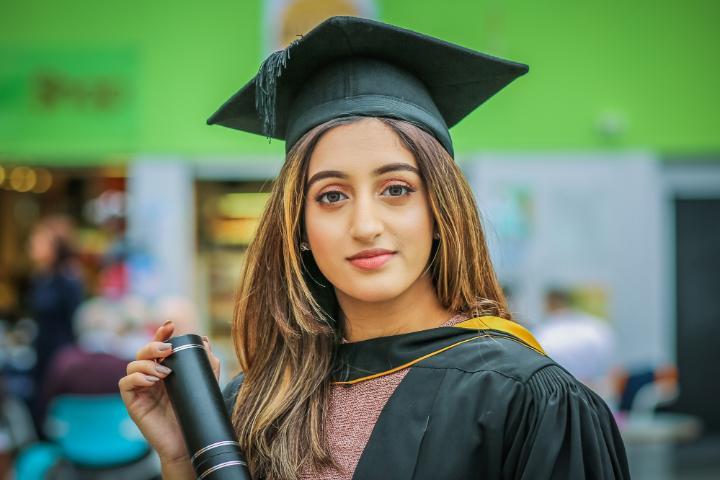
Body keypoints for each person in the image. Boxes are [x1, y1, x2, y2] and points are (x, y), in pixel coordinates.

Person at [120, 16, 630, 479]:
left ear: (439, 211)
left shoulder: (527, 396)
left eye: (396, 189)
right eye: (332, 196)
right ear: (298, 226)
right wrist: (184, 457)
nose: (365, 225)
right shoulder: (260, 401)